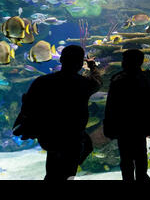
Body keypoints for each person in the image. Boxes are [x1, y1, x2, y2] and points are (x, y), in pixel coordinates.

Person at [13, 45, 102, 180]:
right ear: (80, 63)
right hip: (73, 135)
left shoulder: (43, 81)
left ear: (61, 60)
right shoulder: (83, 83)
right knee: (68, 171)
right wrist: (92, 67)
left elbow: (27, 105)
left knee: (53, 168)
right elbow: (98, 82)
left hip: (49, 134)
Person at [103, 49, 150, 181]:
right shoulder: (147, 80)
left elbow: (111, 106)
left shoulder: (118, 80)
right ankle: (142, 177)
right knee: (141, 155)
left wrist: (109, 126)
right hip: (141, 125)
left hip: (123, 126)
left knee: (126, 157)